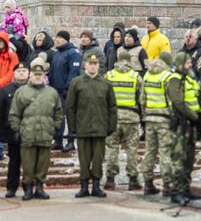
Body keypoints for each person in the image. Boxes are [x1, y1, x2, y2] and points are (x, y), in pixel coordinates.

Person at [9, 57, 64, 201]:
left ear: (44, 76)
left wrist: (55, 127)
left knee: (43, 164)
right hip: (27, 134)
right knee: (28, 164)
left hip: (45, 134)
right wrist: (16, 130)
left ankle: (40, 188)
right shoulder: (22, 92)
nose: (38, 77)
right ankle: (28, 189)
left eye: (40, 75)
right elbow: (14, 113)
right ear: (30, 76)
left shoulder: (51, 92)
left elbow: (59, 112)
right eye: (35, 75)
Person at [67, 54, 117, 198]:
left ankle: (96, 186)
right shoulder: (76, 82)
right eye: (90, 63)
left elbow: (112, 107)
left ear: (99, 66)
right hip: (82, 128)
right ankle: (83, 186)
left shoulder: (106, 84)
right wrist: (72, 128)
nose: (93, 66)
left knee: (98, 159)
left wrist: (110, 127)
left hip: (100, 129)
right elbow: (70, 107)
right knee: (84, 159)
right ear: (85, 65)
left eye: (95, 63)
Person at [165, 52, 201, 205]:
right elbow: (179, 103)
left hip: (190, 125)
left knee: (189, 158)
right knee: (178, 159)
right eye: (187, 63)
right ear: (180, 64)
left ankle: (186, 188)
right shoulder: (174, 80)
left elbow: (193, 97)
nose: (190, 65)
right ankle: (176, 191)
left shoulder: (188, 79)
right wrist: (194, 115)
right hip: (180, 124)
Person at [104, 51, 143, 191]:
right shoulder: (135, 76)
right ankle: (133, 180)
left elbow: (104, 97)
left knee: (113, 148)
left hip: (113, 117)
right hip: (131, 118)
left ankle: (110, 179)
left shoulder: (109, 76)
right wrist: (142, 116)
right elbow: (142, 99)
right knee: (132, 149)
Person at [140, 51, 175, 196]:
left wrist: (145, 114)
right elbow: (172, 101)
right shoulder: (168, 76)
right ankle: (167, 185)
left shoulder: (147, 75)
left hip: (149, 118)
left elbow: (142, 100)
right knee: (165, 151)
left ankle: (148, 183)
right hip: (164, 119)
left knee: (150, 151)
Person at [0, 62, 30, 198]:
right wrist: (1, 133)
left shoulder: (35, 89)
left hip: (30, 131)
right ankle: (11, 188)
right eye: (19, 71)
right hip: (13, 132)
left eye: (24, 71)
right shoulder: (6, 90)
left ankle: (29, 187)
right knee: (14, 162)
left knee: (29, 162)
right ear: (14, 74)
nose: (21, 73)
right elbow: (0, 112)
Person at [48, 30, 82, 151]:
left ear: (66, 40)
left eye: (60, 38)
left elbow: (74, 72)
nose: (57, 40)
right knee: (58, 116)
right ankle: (58, 140)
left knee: (70, 116)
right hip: (55, 89)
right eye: (57, 37)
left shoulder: (73, 53)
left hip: (67, 90)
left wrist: (69, 87)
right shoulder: (57, 54)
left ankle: (71, 140)